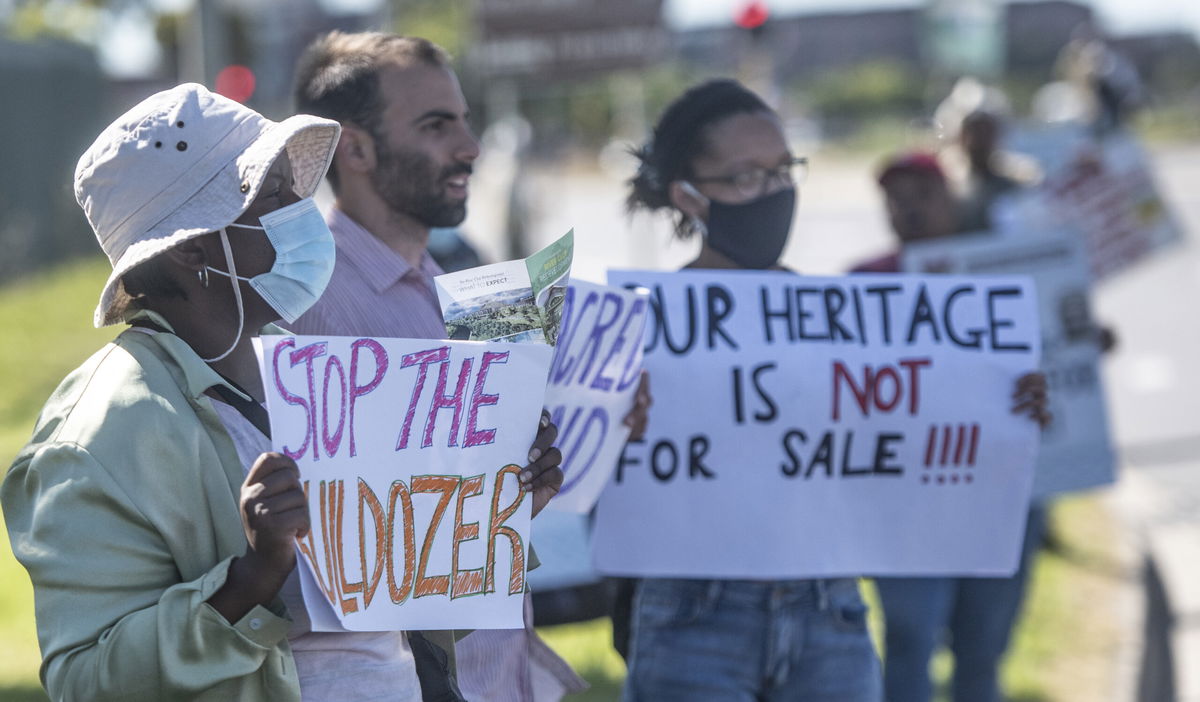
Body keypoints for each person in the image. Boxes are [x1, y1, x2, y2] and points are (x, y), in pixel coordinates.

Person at [1, 83, 565, 702]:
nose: (302, 209)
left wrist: (490, 510)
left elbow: (387, 599)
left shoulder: (307, 373)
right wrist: (252, 577)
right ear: (193, 246)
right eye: (273, 197)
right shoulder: (94, 438)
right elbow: (84, 682)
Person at [620, 79, 1049, 702]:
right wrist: (611, 424)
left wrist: (1001, 404)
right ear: (688, 196)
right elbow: (586, 483)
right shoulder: (637, 328)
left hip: (831, 613)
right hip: (693, 618)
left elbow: (903, 437)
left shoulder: (838, 316)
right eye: (745, 177)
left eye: (784, 170)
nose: (773, 192)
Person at [289, 31, 650, 701]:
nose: (471, 146)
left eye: (464, 120)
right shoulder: (305, 307)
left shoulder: (466, 284)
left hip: (497, 673)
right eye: (436, 125)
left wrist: (602, 414)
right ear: (355, 148)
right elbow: (332, 550)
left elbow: (488, 497)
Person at [853, 152, 1049, 702]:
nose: (909, 209)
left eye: (924, 196)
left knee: (982, 653)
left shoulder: (1005, 274)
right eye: (897, 199)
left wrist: (1076, 345)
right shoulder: (862, 283)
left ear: (952, 201)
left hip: (999, 493)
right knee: (910, 643)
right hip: (908, 503)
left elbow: (1054, 350)